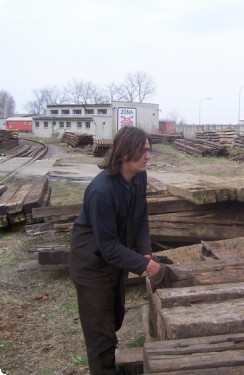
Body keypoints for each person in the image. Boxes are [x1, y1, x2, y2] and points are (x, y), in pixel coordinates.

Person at [69, 126, 164, 374]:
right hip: (92, 265)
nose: (148, 156)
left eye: (149, 149)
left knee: (115, 319)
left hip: (114, 259)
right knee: (101, 337)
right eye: (143, 150)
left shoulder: (139, 177)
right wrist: (147, 266)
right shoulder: (102, 191)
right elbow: (108, 247)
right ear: (124, 153)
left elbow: (141, 216)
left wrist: (144, 251)